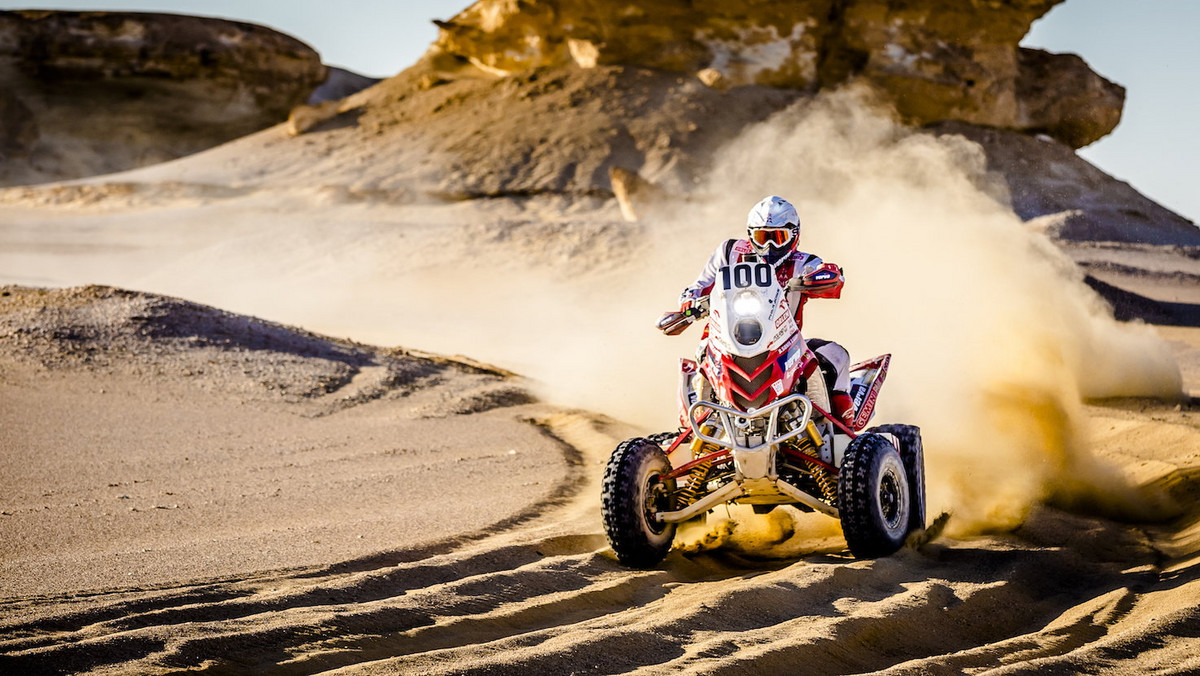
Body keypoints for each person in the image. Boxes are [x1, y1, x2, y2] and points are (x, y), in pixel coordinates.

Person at [658, 195, 855, 425]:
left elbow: (829, 275)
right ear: (751, 235)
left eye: (778, 237)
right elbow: (699, 286)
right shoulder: (729, 251)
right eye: (762, 237)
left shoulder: (803, 262)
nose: (769, 246)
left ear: (794, 236)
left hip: (784, 341)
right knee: (702, 352)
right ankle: (694, 428)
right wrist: (689, 303)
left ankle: (842, 434)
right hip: (725, 338)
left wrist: (826, 276)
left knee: (836, 355)